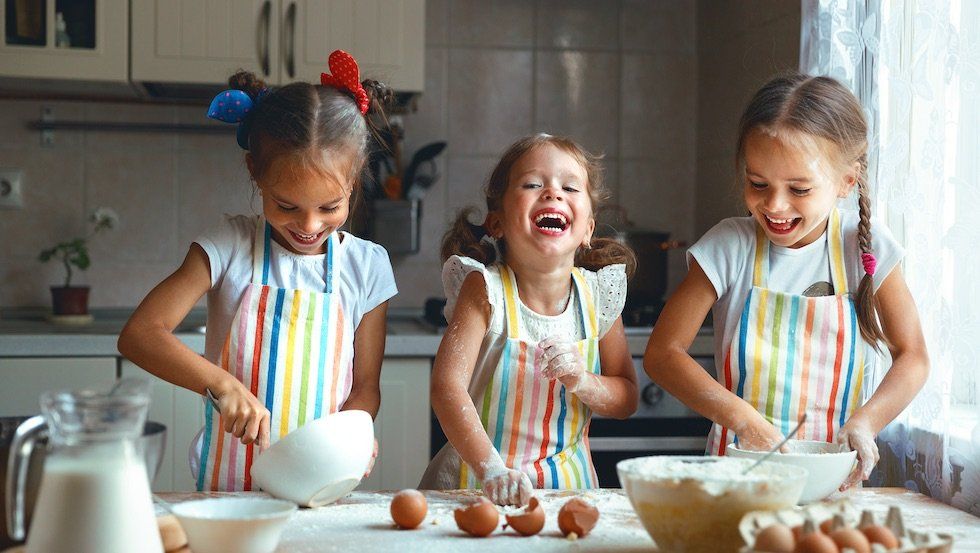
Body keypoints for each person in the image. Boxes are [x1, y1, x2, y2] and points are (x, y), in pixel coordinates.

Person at [118, 50, 398, 492]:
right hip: (228, 493)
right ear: (255, 172)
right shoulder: (228, 247)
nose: (308, 226)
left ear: (356, 177)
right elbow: (140, 334)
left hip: (320, 486)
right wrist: (220, 385)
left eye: (330, 207)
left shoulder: (367, 267)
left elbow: (366, 385)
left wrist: (356, 430)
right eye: (286, 206)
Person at [644, 74, 929, 490]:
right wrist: (746, 422)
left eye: (799, 189)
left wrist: (866, 423)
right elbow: (662, 354)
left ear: (847, 181)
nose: (774, 205)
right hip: (738, 475)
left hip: (833, 480)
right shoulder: (729, 245)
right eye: (758, 184)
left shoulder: (864, 247)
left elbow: (914, 356)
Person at [420, 134, 639, 506]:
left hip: (569, 493)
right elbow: (446, 389)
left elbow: (626, 398)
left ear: (587, 229)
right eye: (533, 184)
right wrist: (491, 469)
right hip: (476, 485)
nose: (553, 193)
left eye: (570, 187)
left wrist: (583, 381)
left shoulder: (597, 297)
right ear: (497, 223)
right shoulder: (484, 289)